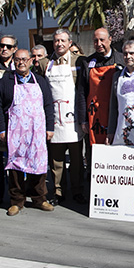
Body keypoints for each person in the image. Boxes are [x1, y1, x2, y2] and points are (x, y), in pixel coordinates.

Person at [0, 49, 55, 216]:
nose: (21, 62)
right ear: (13, 61)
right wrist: (1, 128)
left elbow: (48, 104)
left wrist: (50, 127)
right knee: (15, 167)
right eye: (17, 60)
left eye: (24, 59)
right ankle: (16, 201)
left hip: (37, 131)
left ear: (30, 61)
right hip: (15, 131)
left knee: (39, 165)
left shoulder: (40, 81)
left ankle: (39, 198)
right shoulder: (6, 81)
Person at [45, 29, 86, 205]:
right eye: (56, 41)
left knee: (77, 161)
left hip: (74, 120)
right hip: (55, 120)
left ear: (70, 43)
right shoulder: (44, 63)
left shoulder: (79, 61)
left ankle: (77, 190)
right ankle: (58, 191)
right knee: (56, 161)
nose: (59, 44)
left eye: (62, 40)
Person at [77, 28, 124, 158]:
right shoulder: (87, 63)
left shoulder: (121, 59)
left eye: (102, 40)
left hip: (116, 114)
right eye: (95, 41)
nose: (99, 44)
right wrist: (83, 120)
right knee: (94, 152)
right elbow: (82, 92)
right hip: (95, 117)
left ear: (110, 39)